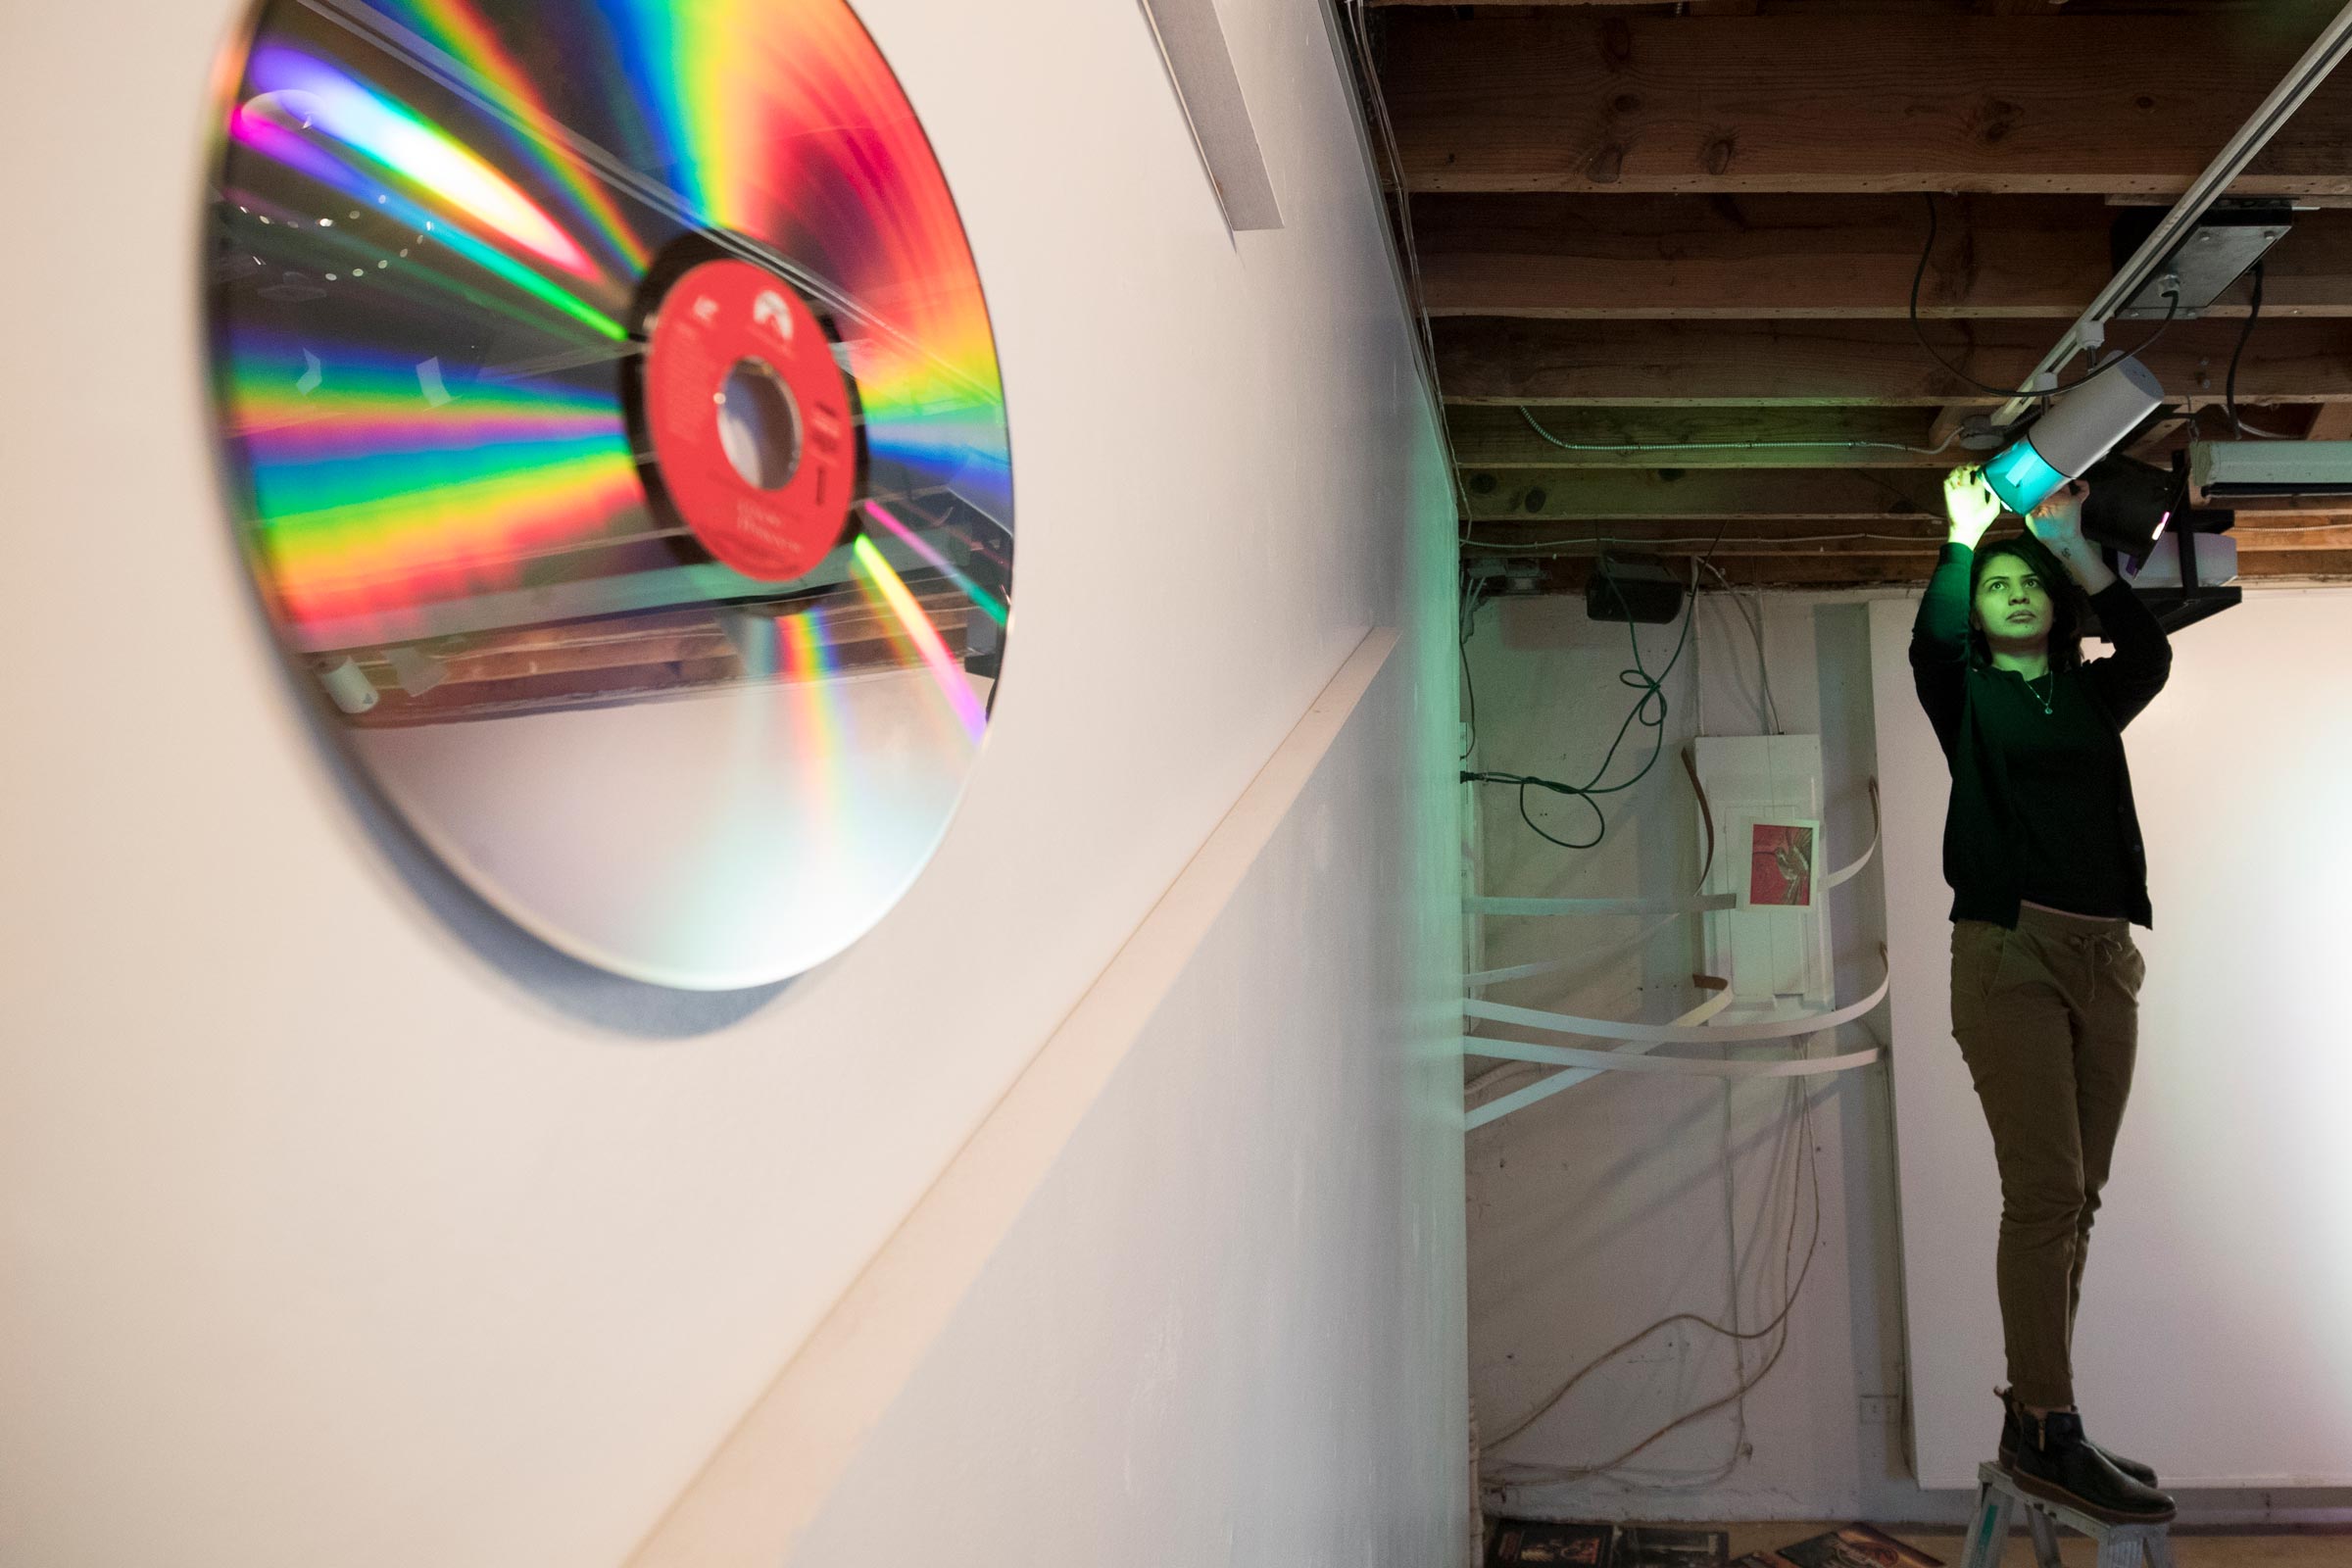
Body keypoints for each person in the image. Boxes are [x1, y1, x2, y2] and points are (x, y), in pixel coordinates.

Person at [1910, 466, 2176, 1524]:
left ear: (2059, 607)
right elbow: (1930, 644)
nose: (2014, 593)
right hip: (2008, 951)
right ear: (1979, 611)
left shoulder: (2087, 696)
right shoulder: (1964, 695)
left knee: (2082, 1197)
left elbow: (2148, 650)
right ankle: (2050, 1426)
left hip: (2104, 958)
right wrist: (1966, 538)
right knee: (2049, 1191)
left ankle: (2036, 1414)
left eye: (2033, 583)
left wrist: (2069, 544)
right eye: (1996, 586)